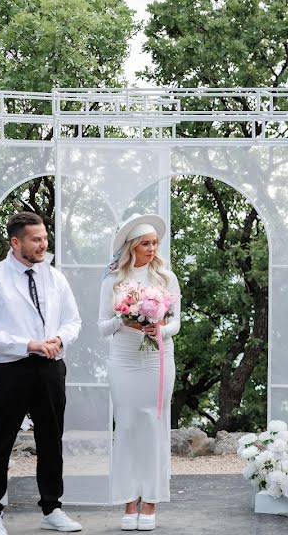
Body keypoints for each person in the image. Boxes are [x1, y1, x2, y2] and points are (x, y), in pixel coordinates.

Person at [0, 211, 83, 535]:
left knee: (51, 439)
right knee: (0, 441)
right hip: (10, 369)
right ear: (15, 242)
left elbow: (73, 320)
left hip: (50, 368)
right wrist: (28, 344)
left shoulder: (55, 277)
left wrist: (59, 339)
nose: (43, 244)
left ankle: (52, 508)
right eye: (36, 239)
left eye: (45, 238)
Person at [98, 214, 180, 531]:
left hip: (158, 357)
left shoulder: (166, 278)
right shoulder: (112, 282)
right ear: (132, 246)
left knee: (154, 424)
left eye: (154, 243)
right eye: (145, 244)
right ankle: (129, 498)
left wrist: (159, 329)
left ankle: (152, 499)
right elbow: (102, 327)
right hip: (124, 359)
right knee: (128, 426)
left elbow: (176, 322)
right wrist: (125, 321)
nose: (151, 249)